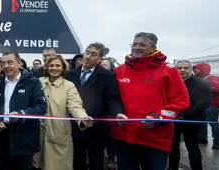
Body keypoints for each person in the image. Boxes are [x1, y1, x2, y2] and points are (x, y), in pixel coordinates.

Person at [112, 32, 189, 170]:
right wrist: (117, 113)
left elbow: (181, 101)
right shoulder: (119, 70)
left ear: (154, 48)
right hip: (125, 135)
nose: (136, 47)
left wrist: (158, 117)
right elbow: (113, 99)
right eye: (134, 44)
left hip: (155, 137)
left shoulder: (168, 70)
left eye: (142, 44)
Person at [65, 42, 123, 170]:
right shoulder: (70, 74)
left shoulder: (108, 76)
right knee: (77, 161)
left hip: (96, 128)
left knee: (96, 161)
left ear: (100, 58)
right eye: (87, 52)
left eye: (93, 54)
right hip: (75, 127)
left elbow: (113, 100)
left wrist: (117, 113)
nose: (88, 56)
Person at [33, 55, 92, 170]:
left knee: (56, 166)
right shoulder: (38, 82)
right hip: (37, 133)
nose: (54, 68)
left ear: (63, 68)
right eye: (51, 65)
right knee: (36, 164)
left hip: (58, 133)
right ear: (46, 67)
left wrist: (83, 117)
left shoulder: (69, 86)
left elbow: (75, 106)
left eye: (57, 65)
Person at [0, 52, 47, 170]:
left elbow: (41, 107)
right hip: (4, 137)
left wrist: (21, 114)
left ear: (19, 63)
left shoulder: (32, 82)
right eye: (3, 63)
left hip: (25, 137)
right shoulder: (0, 83)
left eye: (10, 62)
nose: (6, 66)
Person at [168, 60, 211, 170]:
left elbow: (203, 102)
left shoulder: (202, 83)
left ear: (191, 69)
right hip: (174, 120)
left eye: (185, 68)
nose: (182, 70)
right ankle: (173, 167)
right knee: (173, 147)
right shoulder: (171, 82)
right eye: (179, 68)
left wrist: (184, 115)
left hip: (192, 121)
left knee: (192, 148)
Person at [194, 62, 219, 149]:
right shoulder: (199, 79)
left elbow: (217, 89)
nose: (195, 70)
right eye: (194, 69)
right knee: (202, 122)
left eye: (197, 69)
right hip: (203, 104)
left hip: (213, 104)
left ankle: (216, 142)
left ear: (203, 69)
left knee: (213, 123)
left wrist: (203, 87)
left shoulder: (212, 78)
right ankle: (203, 138)